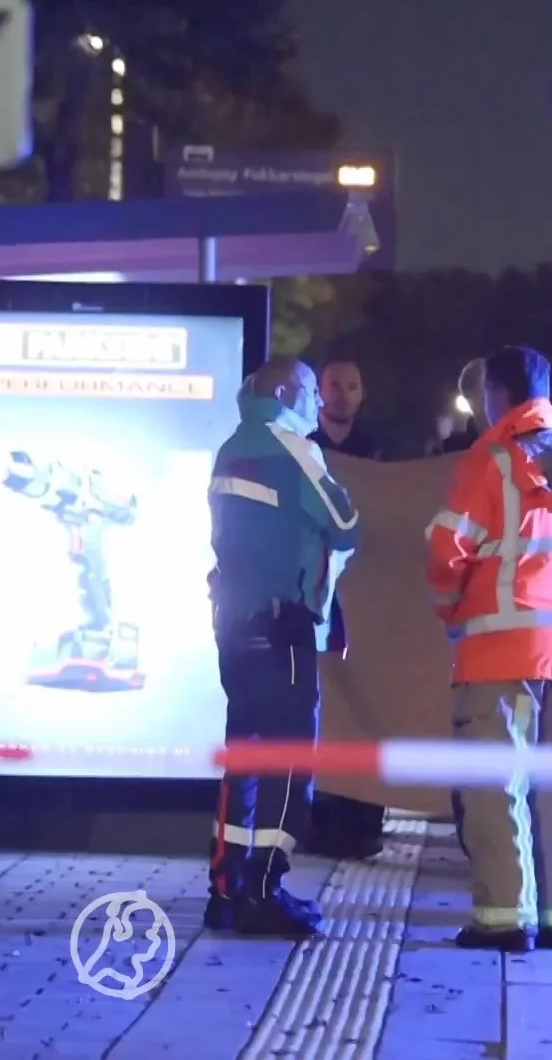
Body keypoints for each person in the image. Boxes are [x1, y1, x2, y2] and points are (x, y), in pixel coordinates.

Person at [427, 346, 552, 953]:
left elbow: (445, 550)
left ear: (497, 396)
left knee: (496, 787)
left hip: (499, 655)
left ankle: (505, 919)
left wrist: (451, 608)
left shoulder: (491, 465)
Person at [205, 356, 363, 936]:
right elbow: (347, 523)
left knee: (243, 756)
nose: (318, 406)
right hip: (284, 625)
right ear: (284, 392)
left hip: (234, 626)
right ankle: (265, 891)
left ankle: (226, 888)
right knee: (289, 760)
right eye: (309, 393)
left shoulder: (230, 448)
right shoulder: (295, 448)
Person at [302, 357, 390, 862]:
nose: (341, 395)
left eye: (350, 386)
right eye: (333, 385)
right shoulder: (303, 448)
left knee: (366, 705)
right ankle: (319, 818)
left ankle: (362, 821)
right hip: (319, 600)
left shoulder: (379, 453)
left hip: (371, 606)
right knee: (321, 705)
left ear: (361, 394)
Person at [311, 358, 387, 460]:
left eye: (352, 387)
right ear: (318, 389)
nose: (344, 396)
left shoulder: (371, 445)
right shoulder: (301, 436)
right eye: (335, 386)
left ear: (363, 393)